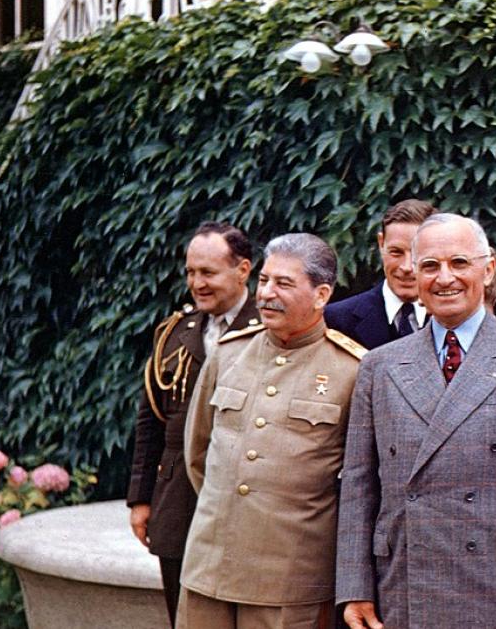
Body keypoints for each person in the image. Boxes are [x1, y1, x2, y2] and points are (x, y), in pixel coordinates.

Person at [335, 213, 496, 629]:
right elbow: (359, 487)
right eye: (430, 266)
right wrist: (355, 588)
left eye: (459, 263)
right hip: (404, 584)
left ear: (487, 270)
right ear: (414, 275)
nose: (444, 278)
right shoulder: (379, 366)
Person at [179, 233, 367, 629]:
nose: (267, 293)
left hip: (290, 580)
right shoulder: (229, 353)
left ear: (321, 295)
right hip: (209, 566)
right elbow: (197, 454)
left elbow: (360, 487)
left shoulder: (352, 370)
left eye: (284, 283)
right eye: (264, 280)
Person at [126, 221, 259, 625]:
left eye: (208, 273)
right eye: (191, 272)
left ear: (243, 270)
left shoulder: (269, 328)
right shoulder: (173, 333)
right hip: (178, 499)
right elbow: (151, 420)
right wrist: (140, 498)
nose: (197, 283)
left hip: (246, 502)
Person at [325, 199, 436, 349]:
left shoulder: (455, 319)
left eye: (419, 254)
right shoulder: (335, 319)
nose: (407, 267)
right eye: (396, 252)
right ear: (381, 243)